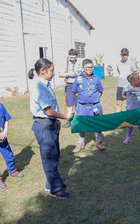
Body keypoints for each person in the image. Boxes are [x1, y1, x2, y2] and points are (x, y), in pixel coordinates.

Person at [29, 58, 72, 199]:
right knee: (49, 158)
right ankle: (56, 189)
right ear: (43, 71)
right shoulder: (39, 87)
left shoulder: (45, 85)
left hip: (50, 125)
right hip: (44, 126)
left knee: (53, 156)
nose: (54, 73)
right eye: (52, 70)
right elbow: (48, 111)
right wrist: (65, 117)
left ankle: (50, 184)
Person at [72, 59, 106, 153]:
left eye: (91, 67)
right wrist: (83, 99)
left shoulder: (96, 78)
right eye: (87, 67)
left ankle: (99, 141)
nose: (90, 69)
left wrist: (93, 100)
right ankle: (81, 143)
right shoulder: (78, 79)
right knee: (82, 124)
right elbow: (74, 92)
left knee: (97, 123)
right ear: (83, 68)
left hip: (95, 106)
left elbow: (100, 91)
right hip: (82, 106)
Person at [0, 104, 24, 189]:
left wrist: (5, 131)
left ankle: (12, 170)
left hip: (2, 138)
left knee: (9, 155)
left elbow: (6, 119)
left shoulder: (1, 106)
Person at [122, 72, 140, 145]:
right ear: (132, 81)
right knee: (130, 124)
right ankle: (128, 138)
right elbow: (123, 95)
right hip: (129, 110)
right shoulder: (126, 88)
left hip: (139, 110)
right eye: (138, 79)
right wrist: (128, 100)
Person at [59, 49, 81, 128]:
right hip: (69, 85)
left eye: (74, 54)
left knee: (78, 104)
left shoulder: (79, 63)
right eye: (70, 54)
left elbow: (78, 73)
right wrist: (69, 74)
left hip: (78, 85)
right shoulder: (66, 63)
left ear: (76, 56)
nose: (72, 56)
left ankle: (78, 120)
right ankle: (69, 121)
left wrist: (73, 74)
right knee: (69, 104)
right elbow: (60, 74)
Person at [116, 48, 137, 112]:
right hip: (120, 86)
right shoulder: (118, 64)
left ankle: (130, 118)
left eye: (126, 55)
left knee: (130, 104)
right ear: (120, 55)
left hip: (129, 86)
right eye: (123, 55)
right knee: (119, 103)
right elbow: (119, 73)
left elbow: (135, 72)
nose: (125, 56)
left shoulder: (131, 63)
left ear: (128, 55)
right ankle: (118, 118)